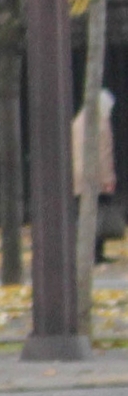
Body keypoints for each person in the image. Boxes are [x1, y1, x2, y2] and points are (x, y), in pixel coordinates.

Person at [80, 88, 118, 266]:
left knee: (89, 216)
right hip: (95, 177)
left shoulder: (80, 120)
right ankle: (97, 253)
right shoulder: (100, 123)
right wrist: (107, 179)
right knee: (99, 217)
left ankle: (92, 253)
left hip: (81, 177)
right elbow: (103, 154)